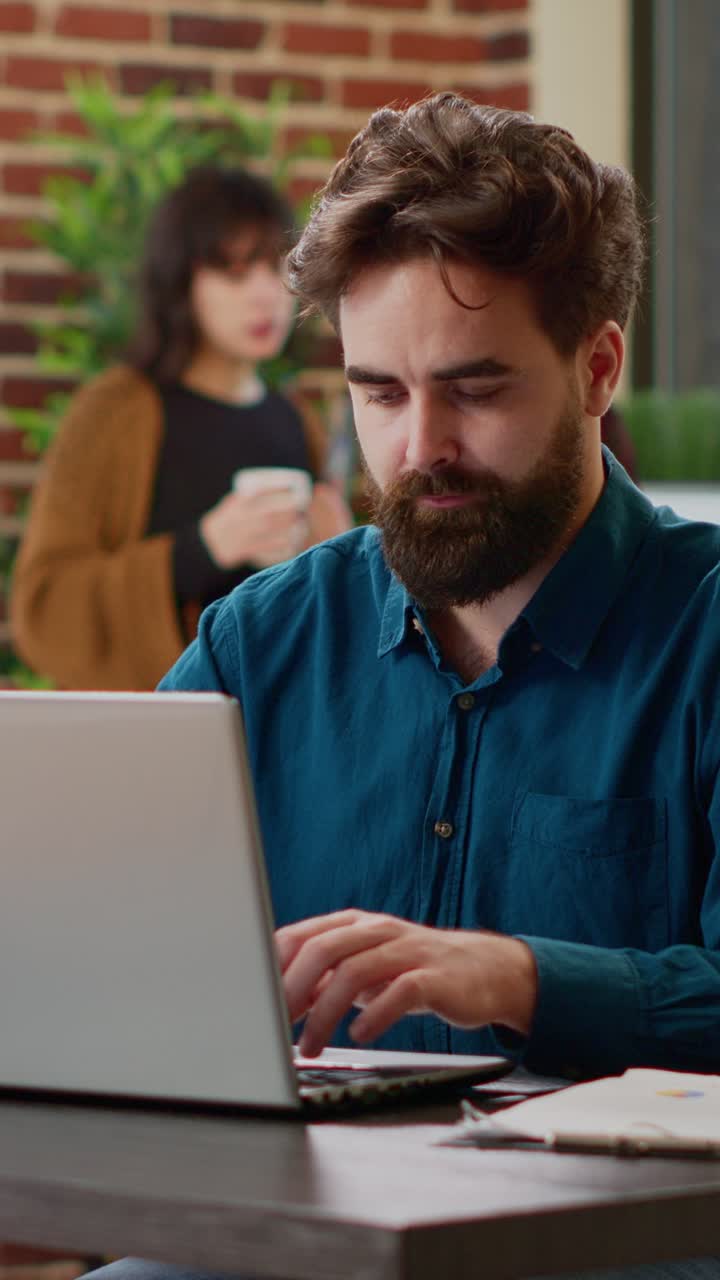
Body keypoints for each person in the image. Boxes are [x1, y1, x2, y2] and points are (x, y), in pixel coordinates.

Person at [83, 94, 720, 1280]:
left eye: (474, 389)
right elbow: (87, 943)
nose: (417, 445)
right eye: (378, 391)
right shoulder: (263, 639)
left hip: (621, 1247)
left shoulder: (710, 631)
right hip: (294, 1238)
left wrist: (522, 977)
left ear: (597, 368)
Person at [10, 165, 351, 691]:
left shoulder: (295, 420)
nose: (265, 295)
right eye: (235, 273)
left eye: (276, 268)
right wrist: (203, 548)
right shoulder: (117, 411)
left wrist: (337, 553)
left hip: (275, 732)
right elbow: (43, 610)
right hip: (154, 738)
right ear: (182, 282)